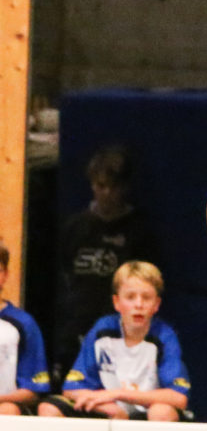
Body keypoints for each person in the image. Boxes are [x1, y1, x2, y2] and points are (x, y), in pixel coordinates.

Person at [38, 261, 188, 421]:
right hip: (110, 408)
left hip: (146, 411)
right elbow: (72, 389)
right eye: (130, 297)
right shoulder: (102, 331)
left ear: (156, 304)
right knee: (48, 408)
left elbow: (179, 398)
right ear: (116, 302)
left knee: (161, 412)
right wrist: (105, 404)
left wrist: (118, 394)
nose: (138, 304)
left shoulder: (164, 337)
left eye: (146, 298)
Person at [55, 144, 157, 380]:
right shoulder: (74, 227)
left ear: (125, 188)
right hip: (77, 324)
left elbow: (149, 281)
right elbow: (64, 274)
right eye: (101, 186)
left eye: (114, 187)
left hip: (120, 329)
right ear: (92, 185)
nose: (107, 193)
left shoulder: (139, 231)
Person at [0, 243, 51, 414]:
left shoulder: (23, 323)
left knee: (8, 410)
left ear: (5, 274)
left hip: (4, 406)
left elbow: (32, 390)